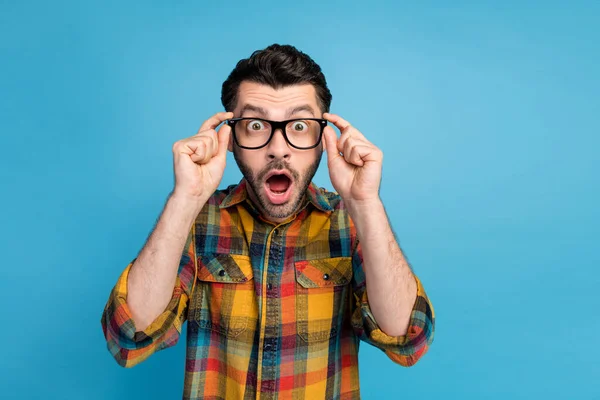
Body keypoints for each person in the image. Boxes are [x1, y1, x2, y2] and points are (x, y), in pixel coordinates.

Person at [100, 44, 435, 399]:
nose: (278, 147)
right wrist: (186, 199)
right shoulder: (195, 220)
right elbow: (127, 337)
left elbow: (408, 340)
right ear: (230, 138)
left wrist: (365, 203)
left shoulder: (350, 221)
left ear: (325, 139)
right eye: (256, 125)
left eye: (300, 125)